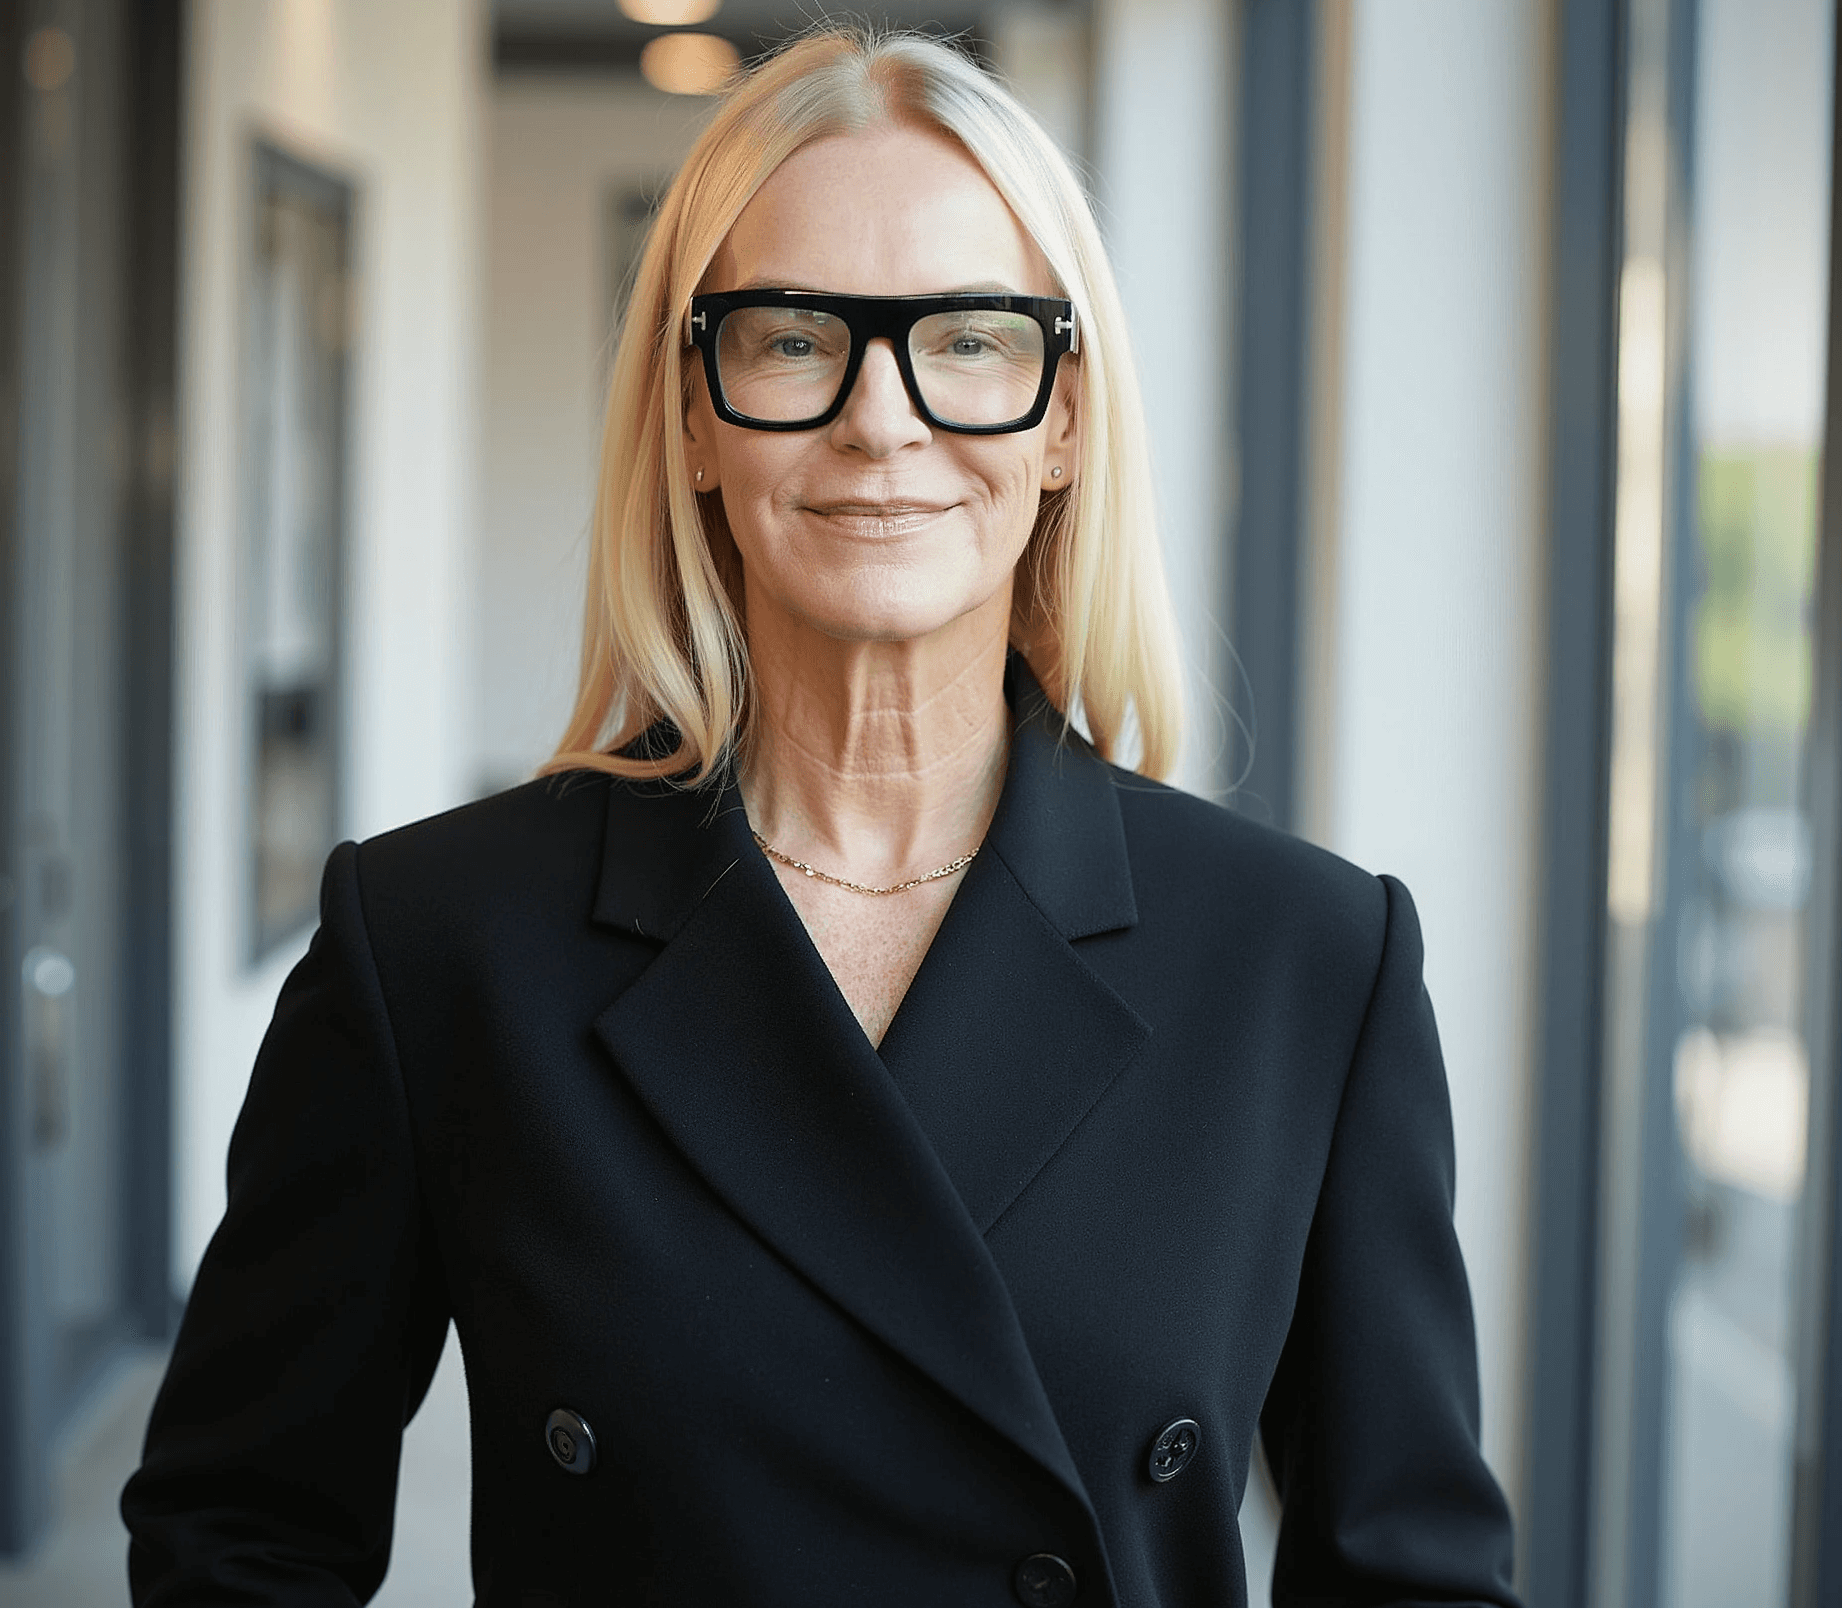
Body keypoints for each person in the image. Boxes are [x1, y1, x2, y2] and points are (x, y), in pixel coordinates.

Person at [123, 28, 1520, 1608]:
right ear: (693, 418)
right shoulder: (440, 944)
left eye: (972, 339)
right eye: (792, 339)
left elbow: (1412, 1577)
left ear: (1065, 421)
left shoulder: (1305, 964)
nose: (881, 419)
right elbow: (238, 1540)